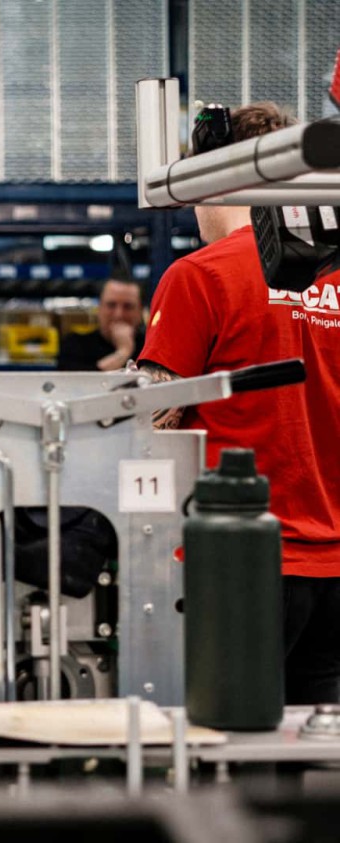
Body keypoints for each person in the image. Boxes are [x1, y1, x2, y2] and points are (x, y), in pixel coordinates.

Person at [136, 102, 340, 704]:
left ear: (216, 178)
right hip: (333, 567)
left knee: (223, 732)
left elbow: (151, 422)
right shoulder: (334, 276)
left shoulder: (200, 275)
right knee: (314, 740)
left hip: (238, 559)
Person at [57, 278, 144, 371]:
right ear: (99, 308)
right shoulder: (74, 345)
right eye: (111, 305)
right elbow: (77, 378)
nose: (118, 315)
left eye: (128, 306)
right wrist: (123, 352)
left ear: (140, 311)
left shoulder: (150, 348)